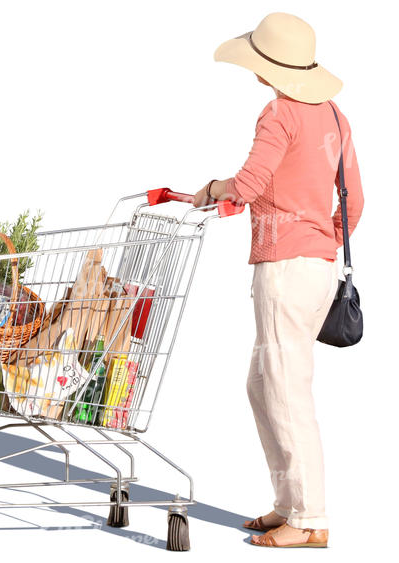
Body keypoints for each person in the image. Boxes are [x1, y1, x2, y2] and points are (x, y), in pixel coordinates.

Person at [193, 13, 364, 548]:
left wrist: (210, 188)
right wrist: (322, 242)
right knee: (264, 384)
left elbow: (247, 184)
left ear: (271, 68)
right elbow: (353, 203)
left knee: (287, 391)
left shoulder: (278, 115)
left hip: (286, 271)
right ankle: (289, 504)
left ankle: (311, 520)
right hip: (319, 269)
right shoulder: (334, 115)